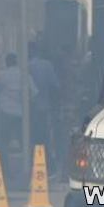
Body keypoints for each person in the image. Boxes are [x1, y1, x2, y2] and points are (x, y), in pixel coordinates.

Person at [27, 41, 60, 172]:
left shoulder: (26, 66)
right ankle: (47, 165)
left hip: (29, 108)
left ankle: (32, 164)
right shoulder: (47, 65)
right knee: (43, 137)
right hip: (43, 106)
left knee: (31, 137)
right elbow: (55, 86)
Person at [0, 53, 24, 155]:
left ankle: (5, 166)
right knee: (22, 140)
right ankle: (26, 162)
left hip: (5, 112)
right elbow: (33, 92)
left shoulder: (2, 75)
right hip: (21, 113)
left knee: (3, 141)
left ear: (6, 62)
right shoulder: (23, 75)